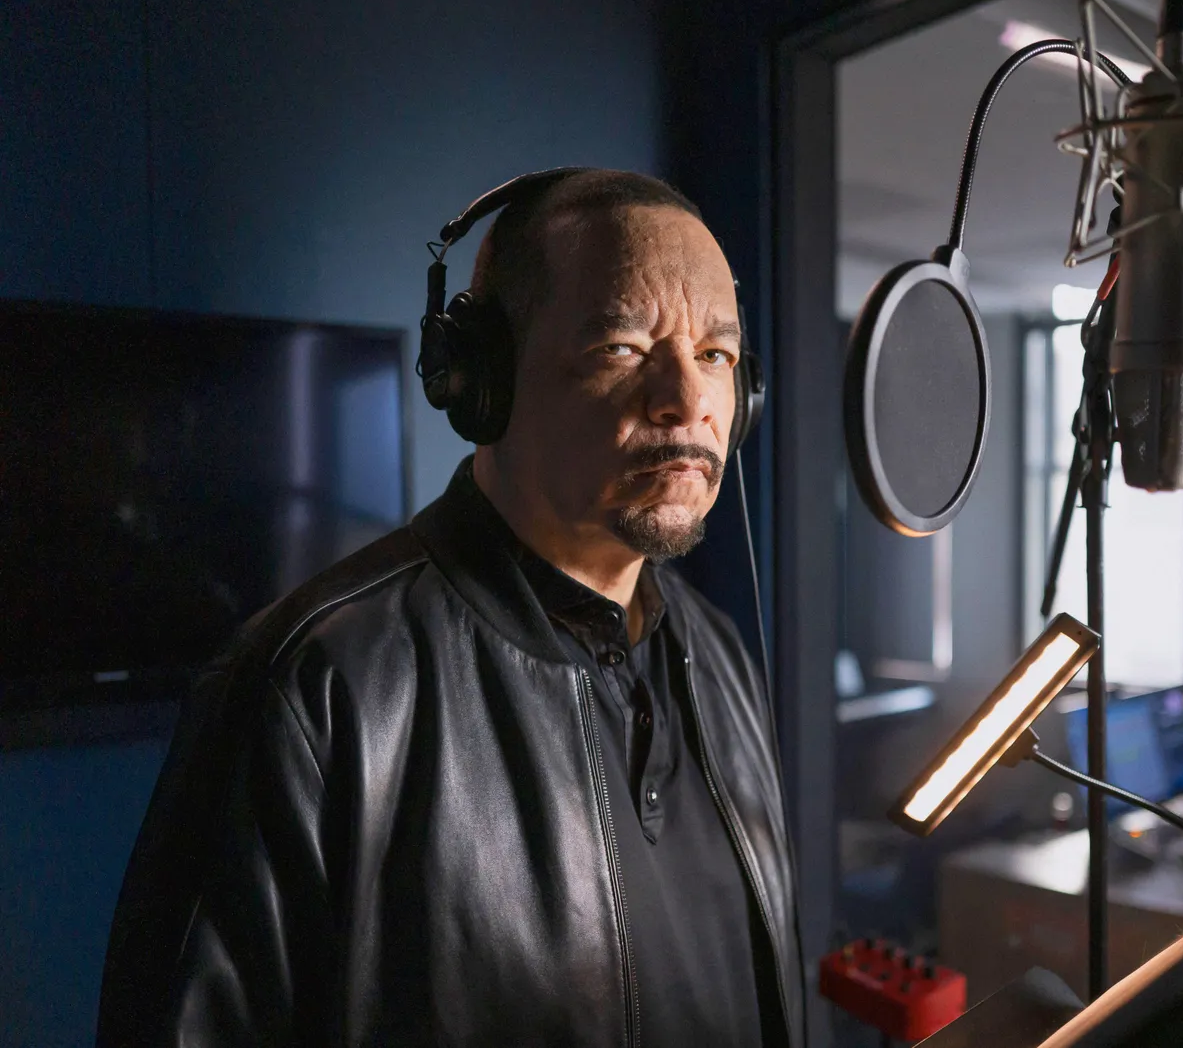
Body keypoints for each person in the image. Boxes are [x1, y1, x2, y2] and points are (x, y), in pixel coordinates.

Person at [97, 169, 802, 1048]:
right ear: (482, 380)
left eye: (716, 355)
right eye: (622, 347)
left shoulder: (723, 657)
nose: (689, 399)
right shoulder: (308, 690)